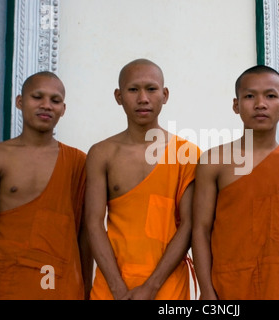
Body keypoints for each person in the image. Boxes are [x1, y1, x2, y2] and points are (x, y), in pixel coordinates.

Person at [192, 65, 279, 300]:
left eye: (270, 96)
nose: (260, 104)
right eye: (250, 96)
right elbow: (200, 230)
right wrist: (207, 292)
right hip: (226, 287)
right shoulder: (214, 162)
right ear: (236, 105)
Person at [87, 59, 200, 300]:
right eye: (133, 90)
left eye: (151, 89)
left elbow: (190, 225)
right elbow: (93, 223)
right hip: (112, 281)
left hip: (167, 282)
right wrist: (118, 289)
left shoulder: (187, 153)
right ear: (118, 96)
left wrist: (151, 287)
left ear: (165, 94)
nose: (143, 99)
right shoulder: (102, 153)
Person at [0, 71, 92, 300]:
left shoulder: (78, 162)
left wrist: (87, 290)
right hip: (10, 282)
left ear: (63, 109)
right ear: (20, 102)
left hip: (63, 284)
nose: (46, 105)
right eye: (37, 97)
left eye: (55, 100)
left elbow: (86, 234)